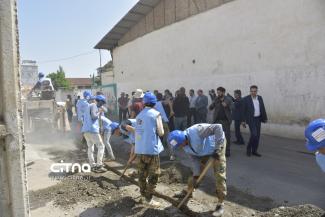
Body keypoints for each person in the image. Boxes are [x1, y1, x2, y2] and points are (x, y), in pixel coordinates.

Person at [168, 124, 227, 217]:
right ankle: (189, 191)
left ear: (184, 139)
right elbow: (194, 160)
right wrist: (196, 176)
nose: (180, 147)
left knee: (219, 176)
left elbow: (218, 127)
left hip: (217, 146)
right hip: (203, 151)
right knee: (195, 174)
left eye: (180, 145)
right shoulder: (184, 145)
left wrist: (217, 148)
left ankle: (220, 203)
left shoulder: (197, 131)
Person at [135, 92, 164, 206]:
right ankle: (149, 199)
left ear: (144, 103)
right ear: (154, 102)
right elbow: (161, 132)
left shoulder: (139, 115)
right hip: (152, 150)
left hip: (140, 149)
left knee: (142, 174)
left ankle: (143, 195)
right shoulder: (156, 114)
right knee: (154, 175)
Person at [81, 95, 107, 172]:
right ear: (99, 101)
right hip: (92, 130)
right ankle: (99, 165)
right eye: (102, 103)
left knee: (90, 148)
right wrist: (99, 112)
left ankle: (92, 165)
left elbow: (105, 110)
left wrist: (100, 110)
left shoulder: (88, 106)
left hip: (86, 130)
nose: (102, 105)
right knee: (101, 146)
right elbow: (94, 117)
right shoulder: (94, 105)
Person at [242, 85, 267, 157]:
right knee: (254, 134)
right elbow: (243, 111)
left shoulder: (260, 98)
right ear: (250, 91)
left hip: (258, 119)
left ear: (257, 91)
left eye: (254, 91)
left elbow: (262, 108)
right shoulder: (246, 99)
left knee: (257, 136)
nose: (253, 92)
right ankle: (248, 148)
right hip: (251, 119)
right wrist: (243, 121)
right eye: (252, 91)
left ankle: (254, 150)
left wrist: (264, 118)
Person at [209, 87, 233, 157]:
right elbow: (211, 107)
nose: (218, 94)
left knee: (226, 137)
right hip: (217, 121)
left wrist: (226, 105)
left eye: (219, 92)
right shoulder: (216, 99)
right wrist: (212, 105)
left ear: (223, 92)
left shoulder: (228, 99)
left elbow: (232, 107)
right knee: (216, 137)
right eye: (217, 92)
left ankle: (227, 151)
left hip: (225, 121)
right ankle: (217, 151)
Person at [155, 93, 175, 161]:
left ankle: (156, 155)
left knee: (157, 139)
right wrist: (171, 110)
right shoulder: (160, 103)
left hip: (158, 123)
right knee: (168, 138)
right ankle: (172, 155)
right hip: (163, 122)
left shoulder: (155, 103)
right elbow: (168, 102)